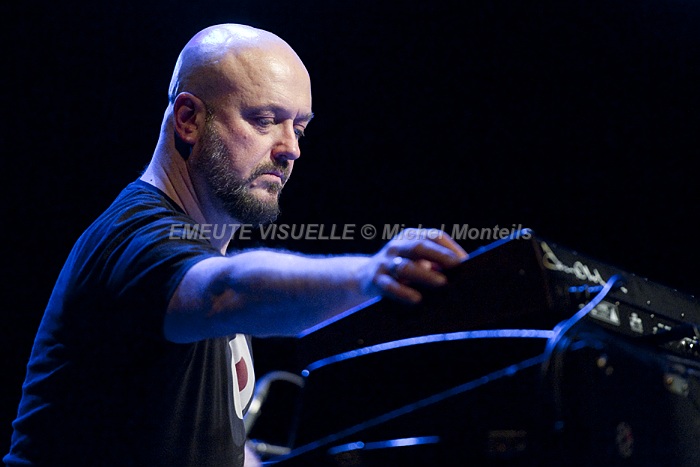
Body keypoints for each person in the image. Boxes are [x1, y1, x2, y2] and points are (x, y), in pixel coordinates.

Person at [4, 23, 468, 466]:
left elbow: (197, 437)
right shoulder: (135, 238)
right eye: (265, 120)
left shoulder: (200, 246)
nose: (291, 149)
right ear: (188, 119)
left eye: (299, 128)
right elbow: (225, 289)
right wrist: (370, 275)